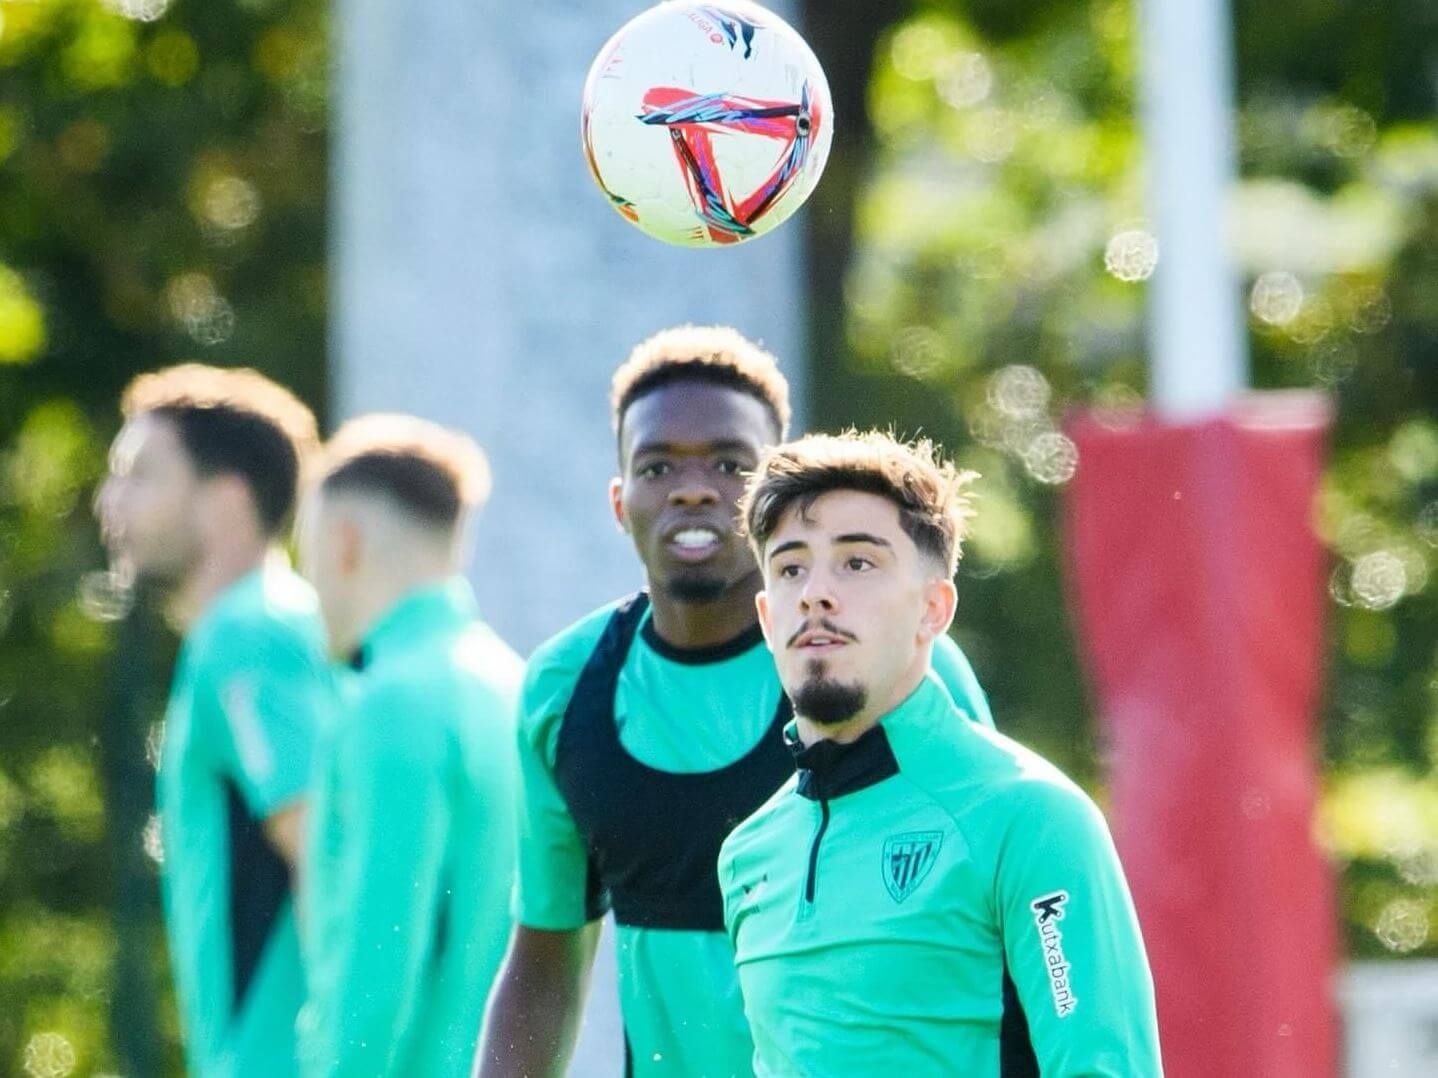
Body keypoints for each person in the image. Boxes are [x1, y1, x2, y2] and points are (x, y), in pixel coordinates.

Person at [478, 327, 993, 1078]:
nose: (693, 489)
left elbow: (999, 921)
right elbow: (545, 959)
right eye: (658, 467)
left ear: (776, 500)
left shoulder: (906, 665)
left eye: (729, 463)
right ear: (621, 502)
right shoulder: (564, 690)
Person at [719, 430, 1163, 1076]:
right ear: (767, 619)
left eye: (858, 562)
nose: (815, 592)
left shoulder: (1029, 818)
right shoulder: (749, 855)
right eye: (791, 567)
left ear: (934, 608)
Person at [95, 365, 330, 1078]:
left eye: (140, 475)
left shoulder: (247, 636)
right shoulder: (268, 625)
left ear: (226, 499)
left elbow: (326, 847)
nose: (109, 501)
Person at [296, 415, 523, 1077]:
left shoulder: (389, 701)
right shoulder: (511, 684)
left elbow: (378, 961)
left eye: (304, 556)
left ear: (342, 545)